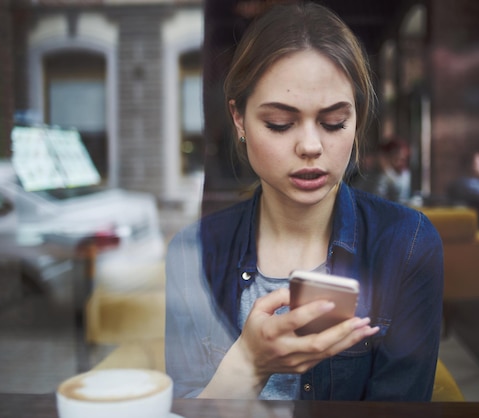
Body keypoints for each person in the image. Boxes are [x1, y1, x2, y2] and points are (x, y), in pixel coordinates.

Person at [165, 2, 443, 401]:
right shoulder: (192, 252)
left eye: (333, 123)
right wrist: (249, 363)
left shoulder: (408, 244)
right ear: (239, 119)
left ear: (358, 119)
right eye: (280, 123)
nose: (311, 146)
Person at [353, 138, 411, 203]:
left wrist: (386, 170)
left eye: (403, 159)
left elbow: (398, 193)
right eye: (395, 156)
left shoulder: (404, 174)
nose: (399, 161)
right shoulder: (373, 173)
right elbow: (357, 190)